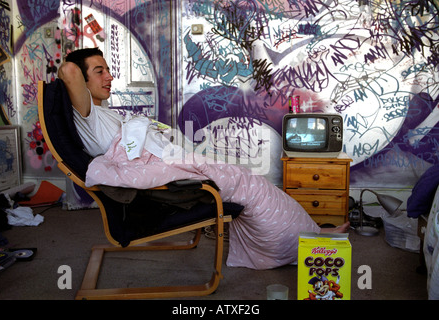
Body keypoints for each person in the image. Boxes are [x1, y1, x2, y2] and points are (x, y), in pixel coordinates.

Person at [58, 48, 349, 270]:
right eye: (99, 71)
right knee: (252, 186)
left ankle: (308, 236)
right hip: (165, 183)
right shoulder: (87, 116)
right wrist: (64, 85)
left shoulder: (101, 110)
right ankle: (310, 242)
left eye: (108, 69)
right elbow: (69, 69)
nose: (109, 76)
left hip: (171, 165)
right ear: (81, 82)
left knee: (249, 184)